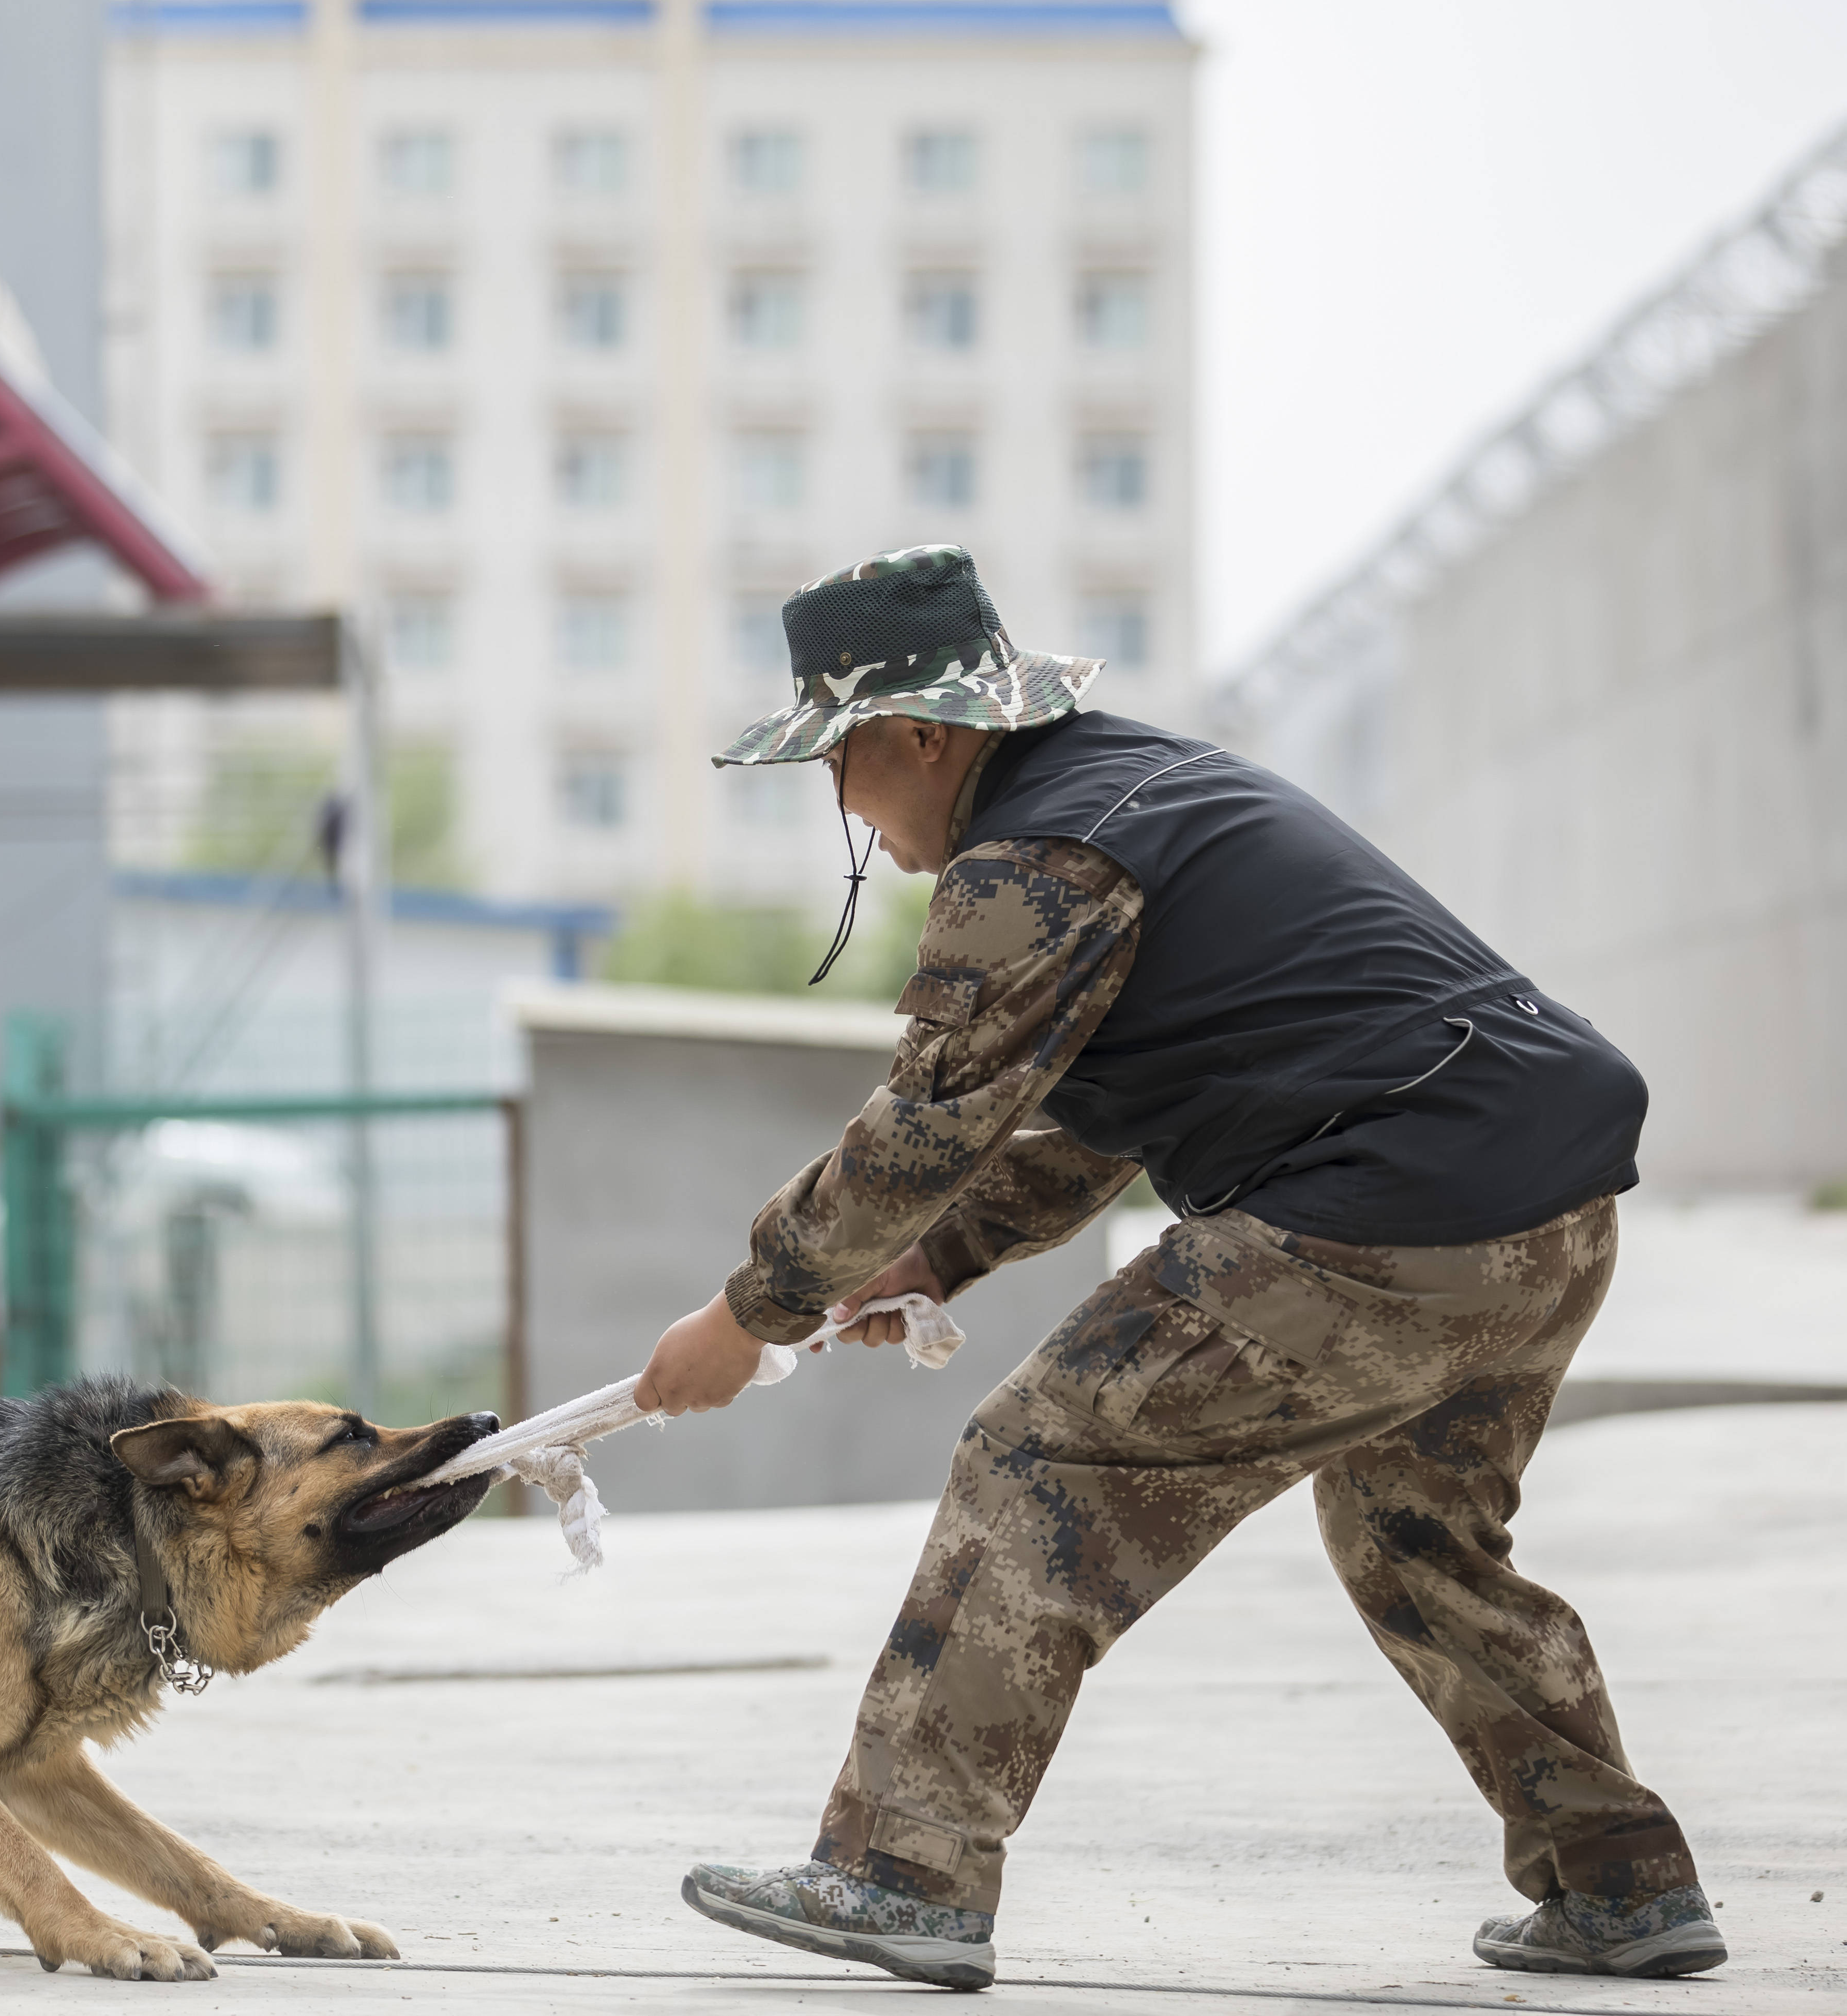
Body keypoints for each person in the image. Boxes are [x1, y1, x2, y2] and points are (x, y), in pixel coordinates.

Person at [633, 546, 1722, 1993]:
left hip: (1389, 1211)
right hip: (1546, 1207)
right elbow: (1105, 1120)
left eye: (840, 758)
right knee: (1412, 1532)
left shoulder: (1037, 858)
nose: (839, 798)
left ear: (923, 736)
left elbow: (922, 1127)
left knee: (1041, 1459)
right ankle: (1622, 1881)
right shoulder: (1144, 793)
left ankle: (904, 1871)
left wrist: (746, 1312)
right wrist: (939, 1256)